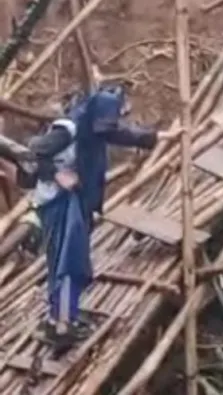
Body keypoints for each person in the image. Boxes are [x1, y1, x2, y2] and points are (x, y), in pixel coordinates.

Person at [25, 84, 173, 349]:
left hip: (76, 201)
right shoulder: (68, 129)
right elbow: (30, 152)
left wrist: (161, 136)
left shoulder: (94, 127)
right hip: (59, 203)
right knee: (67, 262)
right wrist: (56, 174)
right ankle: (61, 325)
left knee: (72, 261)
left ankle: (63, 317)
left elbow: (120, 134)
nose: (106, 129)